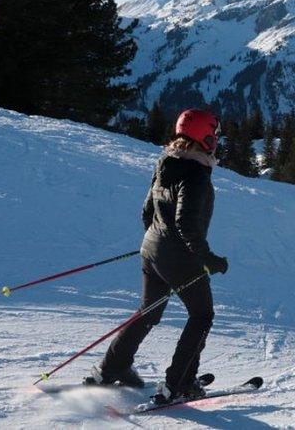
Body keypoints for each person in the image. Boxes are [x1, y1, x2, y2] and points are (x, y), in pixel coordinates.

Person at [86, 108, 230, 404]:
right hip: (179, 258)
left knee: (149, 311)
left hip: (151, 251)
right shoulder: (196, 176)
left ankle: (111, 368)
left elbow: (147, 213)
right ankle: (180, 382)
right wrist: (209, 259)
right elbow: (186, 226)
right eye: (214, 135)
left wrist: (157, 241)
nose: (216, 140)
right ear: (205, 137)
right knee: (202, 316)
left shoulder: (167, 162)